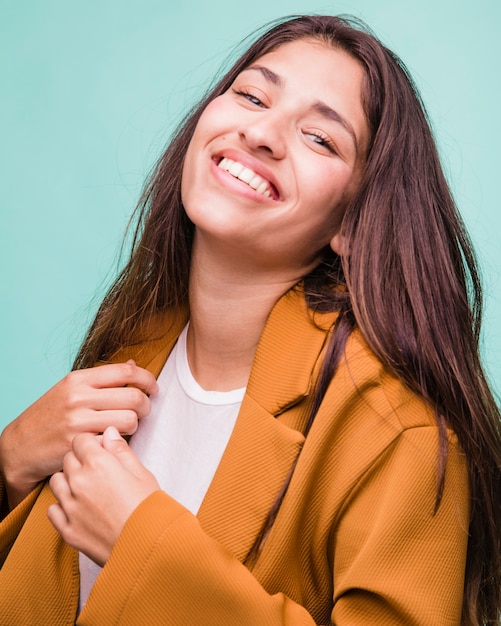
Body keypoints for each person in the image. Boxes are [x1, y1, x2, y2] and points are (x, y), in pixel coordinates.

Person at [0, 14, 499, 626]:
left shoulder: (399, 432)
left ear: (350, 225)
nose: (261, 131)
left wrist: (147, 549)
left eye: (321, 138)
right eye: (252, 95)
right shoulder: (129, 346)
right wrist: (10, 463)